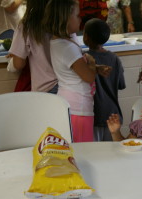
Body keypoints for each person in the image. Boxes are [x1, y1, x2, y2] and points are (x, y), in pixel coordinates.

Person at [42, 0, 112, 142]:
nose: (81, 18)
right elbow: (88, 77)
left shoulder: (59, 43)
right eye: (77, 15)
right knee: (82, 150)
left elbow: (74, 70)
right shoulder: (67, 47)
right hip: (78, 108)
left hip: (71, 105)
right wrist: (92, 63)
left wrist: (96, 69)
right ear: (65, 19)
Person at [83, 18, 126, 141]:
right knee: (112, 152)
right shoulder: (114, 59)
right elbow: (121, 85)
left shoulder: (84, 59)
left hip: (94, 114)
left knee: (96, 153)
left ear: (86, 37)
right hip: (112, 114)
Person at [7, 0, 58, 93]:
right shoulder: (62, 20)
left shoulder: (26, 25)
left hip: (45, 88)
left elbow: (18, 64)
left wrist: (13, 59)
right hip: (67, 86)